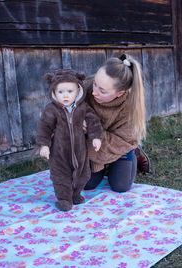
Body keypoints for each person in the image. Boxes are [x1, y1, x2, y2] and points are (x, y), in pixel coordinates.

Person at [36, 69, 103, 211]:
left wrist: (96, 137)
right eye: (60, 92)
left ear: (78, 91)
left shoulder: (83, 107)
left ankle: (76, 194)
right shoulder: (52, 109)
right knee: (60, 177)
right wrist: (44, 145)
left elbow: (93, 121)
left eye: (70, 91)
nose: (65, 95)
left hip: (80, 151)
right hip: (59, 153)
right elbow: (44, 127)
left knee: (83, 174)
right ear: (54, 91)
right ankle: (64, 199)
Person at [84, 54, 150, 193]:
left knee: (120, 186)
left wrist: (91, 129)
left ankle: (135, 152)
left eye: (102, 90)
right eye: (95, 83)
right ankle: (102, 166)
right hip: (92, 145)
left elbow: (123, 140)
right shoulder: (86, 88)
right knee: (87, 184)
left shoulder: (130, 107)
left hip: (119, 144)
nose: (94, 91)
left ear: (120, 93)